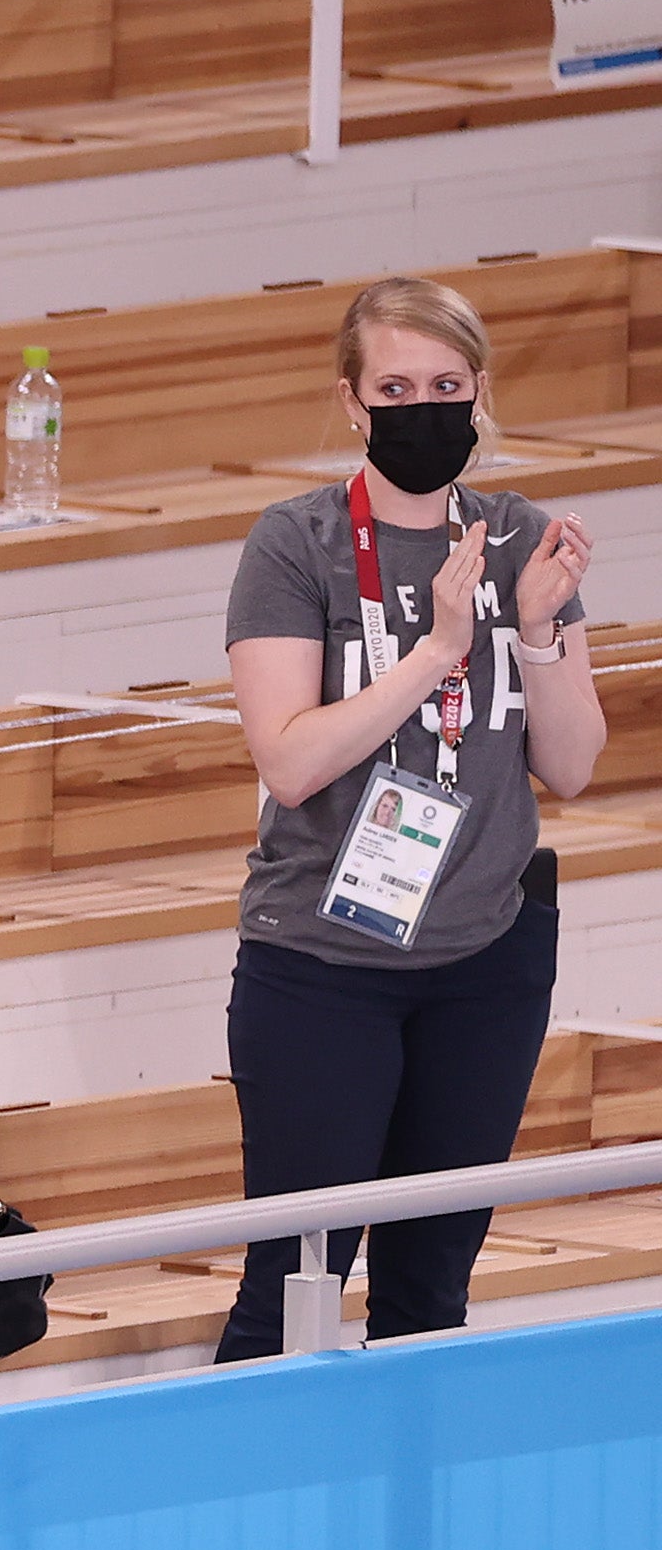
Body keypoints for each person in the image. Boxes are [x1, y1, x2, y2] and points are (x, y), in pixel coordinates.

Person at [217, 275, 603, 1360]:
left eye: (445, 384)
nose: (422, 405)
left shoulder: (520, 535)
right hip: (324, 963)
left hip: (484, 957)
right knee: (293, 1285)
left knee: (431, 1295)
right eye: (395, 385)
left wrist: (532, 630)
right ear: (352, 399)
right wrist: (436, 651)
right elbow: (290, 761)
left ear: (479, 393)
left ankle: (404, 1523)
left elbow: (571, 765)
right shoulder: (295, 544)